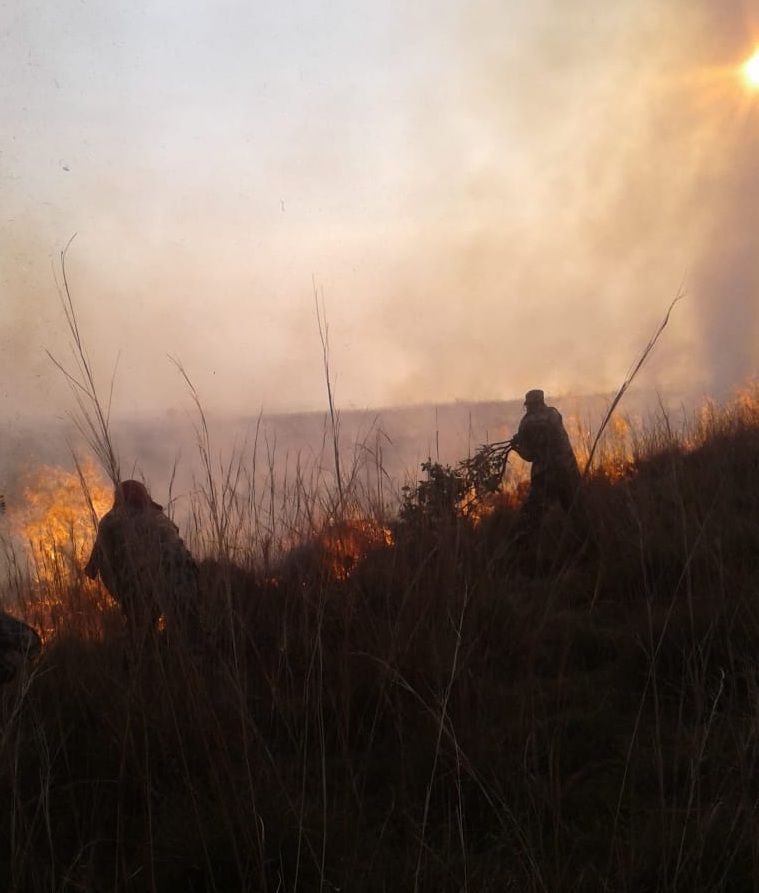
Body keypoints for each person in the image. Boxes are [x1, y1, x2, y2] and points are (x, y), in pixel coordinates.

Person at [85, 479, 199, 648]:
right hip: (189, 575)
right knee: (186, 635)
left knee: (139, 634)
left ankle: (138, 657)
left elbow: (92, 569)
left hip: (144, 585)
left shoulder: (110, 519)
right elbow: (174, 538)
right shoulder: (159, 516)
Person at [510, 389, 585, 538]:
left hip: (545, 477)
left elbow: (530, 455)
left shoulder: (526, 423)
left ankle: (524, 549)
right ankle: (587, 545)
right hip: (568, 471)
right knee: (577, 513)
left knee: (529, 516)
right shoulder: (554, 414)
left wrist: (516, 447)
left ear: (529, 404)